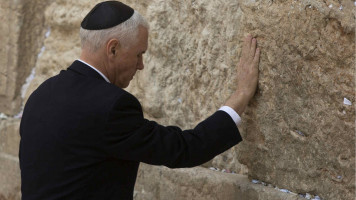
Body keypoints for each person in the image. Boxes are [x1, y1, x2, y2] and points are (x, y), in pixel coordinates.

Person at [19, 1, 260, 200]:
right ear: (112, 49)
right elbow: (185, 149)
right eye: (139, 54)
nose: (141, 65)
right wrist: (241, 95)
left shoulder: (40, 95)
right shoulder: (112, 106)